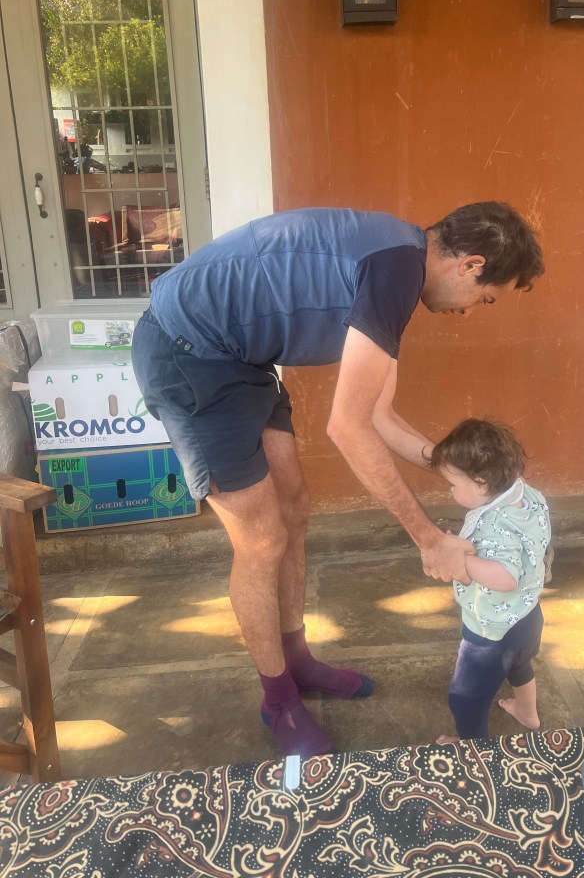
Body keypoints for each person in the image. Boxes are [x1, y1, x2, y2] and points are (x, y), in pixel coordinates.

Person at [131, 202, 544, 757]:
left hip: (241, 358)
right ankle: (277, 699)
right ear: (471, 265)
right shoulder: (393, 272)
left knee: (294, 506)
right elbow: (348, 428)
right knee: (261, 538)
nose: (471, 312)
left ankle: (296, 660)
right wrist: (430, 539)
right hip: (188, 351)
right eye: (484, 299)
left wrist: (464, 470)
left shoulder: (400, 263)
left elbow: (380, 416)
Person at [429, 418, 550, 743]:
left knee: (465, 698)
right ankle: (527, 713)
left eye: (453, 484)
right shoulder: (529, 496)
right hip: (527, 615)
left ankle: (472, 748)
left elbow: (506, 576)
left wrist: (463, 560)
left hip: (490, 629)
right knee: (520, 665)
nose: (449, 489)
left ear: (482, 483)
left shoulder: (495, 526)